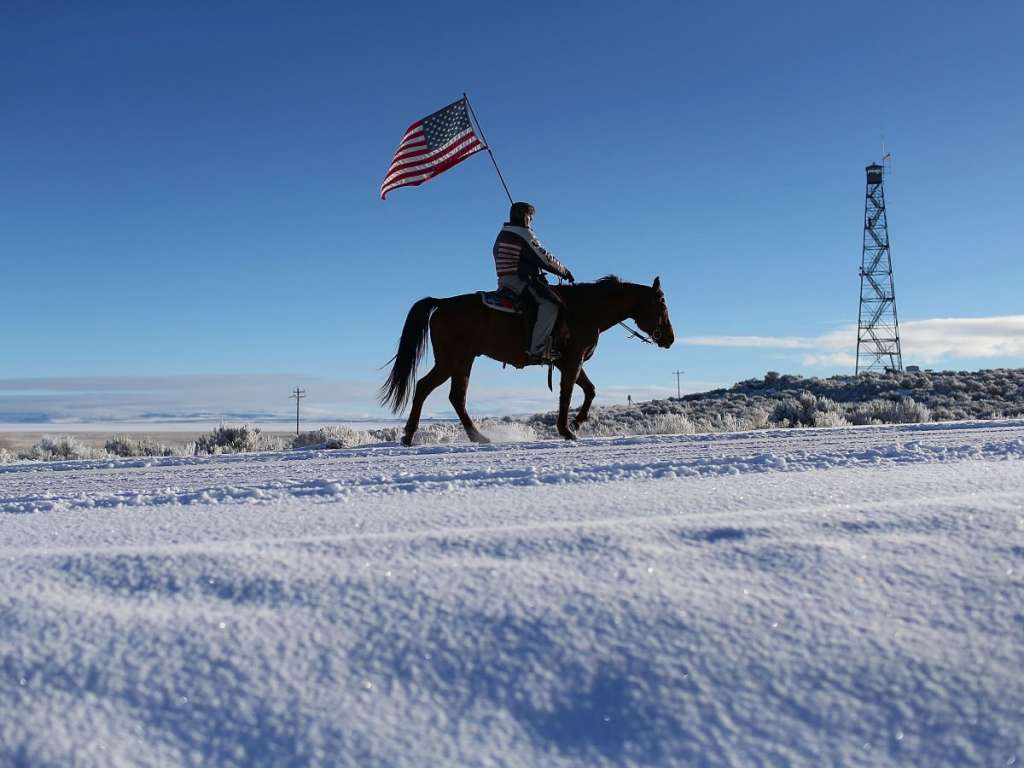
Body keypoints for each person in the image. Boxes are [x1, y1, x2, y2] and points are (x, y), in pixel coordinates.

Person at [492, 201, 575, 362]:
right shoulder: (522, 233)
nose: (531, 220)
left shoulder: (503, 233)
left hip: (504, 279)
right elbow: (543, 258)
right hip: (518, 280)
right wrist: (564, 271)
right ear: (525, 216)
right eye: (530, 217)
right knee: (550, 305)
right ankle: (538, 348)